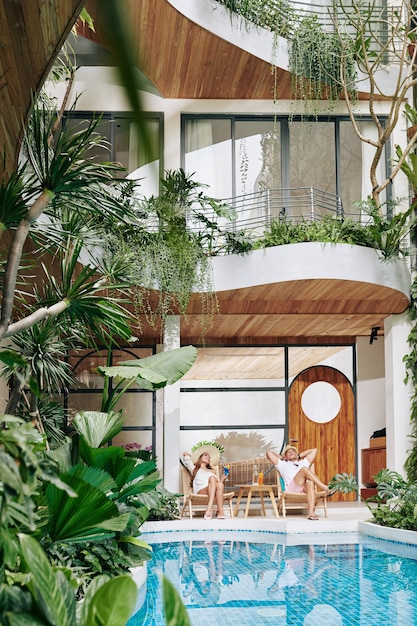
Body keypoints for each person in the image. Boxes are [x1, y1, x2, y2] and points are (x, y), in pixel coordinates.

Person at [266, 445, 334, 520]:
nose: (291, 452)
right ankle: (325, 487)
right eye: (288, 452)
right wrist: (281, 457)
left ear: (296, 454)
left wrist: (299, 456)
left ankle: (310, 513)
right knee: (304, 469)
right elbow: (268, 453)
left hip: (305, 488)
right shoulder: (281, 463)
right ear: (285, 456)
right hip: (292, 487)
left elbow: (314, 450)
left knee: (310, 481)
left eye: (293, 451)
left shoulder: (303, 462)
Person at [182, 446, 228, 520]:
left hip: (213, 491)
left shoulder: (213, 471)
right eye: (205, 455)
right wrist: (194, 457)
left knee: (219, 483)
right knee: (212, 478)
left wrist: (222, 479)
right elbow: (185, 454)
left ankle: (220, 512)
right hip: (201, 491)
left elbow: (218, 486)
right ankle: (211, 508)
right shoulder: (194, 468)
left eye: (209, 457)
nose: (208, 457)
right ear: (200, 457)